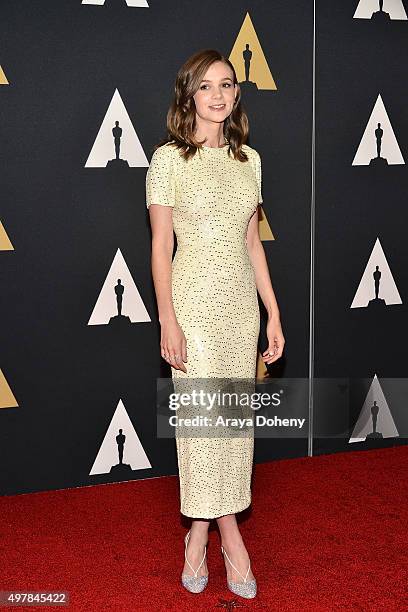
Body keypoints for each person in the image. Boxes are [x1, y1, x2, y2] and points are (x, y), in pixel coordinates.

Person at [145, 49, 284, 599]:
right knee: (203, 430)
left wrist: (273, 311)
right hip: (194, 308)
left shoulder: (250, 160)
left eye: (227, 85)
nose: (219, 95)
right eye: (206, 87)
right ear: (189, 95)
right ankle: (228, 537)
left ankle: (197, 535)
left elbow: (252, 243)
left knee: (233, 429)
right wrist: (168, 320)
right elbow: (160, 249)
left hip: (239, 309)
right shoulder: (167, 161)